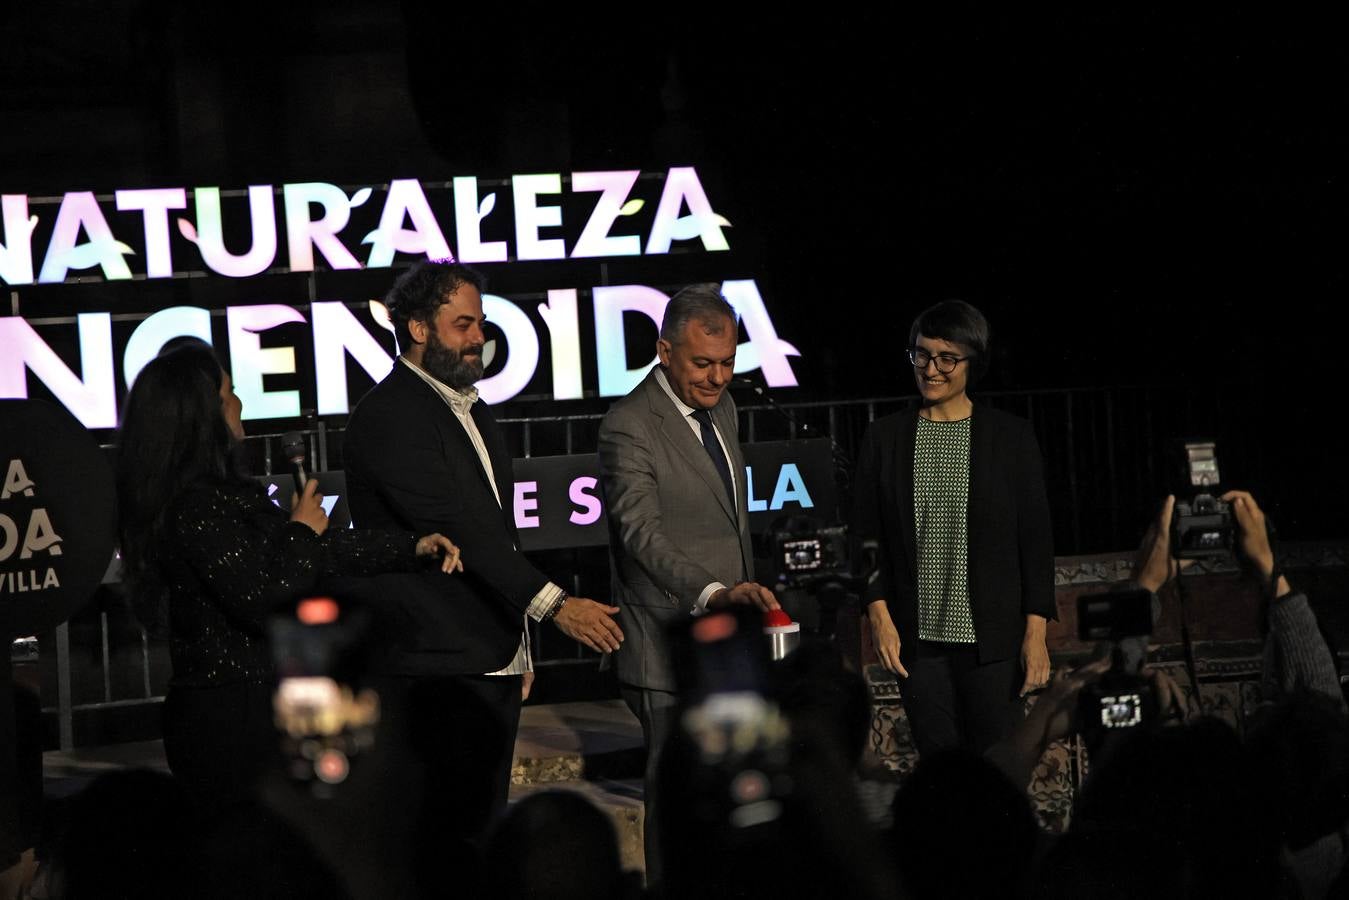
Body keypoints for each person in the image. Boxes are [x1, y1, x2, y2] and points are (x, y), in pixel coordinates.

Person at [341, 260, 624, 853]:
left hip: (487, 655)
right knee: (442, 840)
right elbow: (459, 528)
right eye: (464, 324)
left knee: (482, 831)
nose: (480, 338)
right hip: (435, 665)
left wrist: (517, 645)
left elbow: (498, 537)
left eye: (481, 323)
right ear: (418, 328)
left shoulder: (471, 408)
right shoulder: (390, 414)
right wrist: (557, 608)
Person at [115, 341, 460, 810]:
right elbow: (264, 600)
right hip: (227, 720)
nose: (240, 405)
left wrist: (410, 546)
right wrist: (298, 531)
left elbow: (322, 550)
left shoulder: (229, 497)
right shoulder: (194, 509)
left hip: (260, 711)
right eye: (229, 393)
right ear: (203, 414)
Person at [597, 283, 779, 884]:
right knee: (674, 801)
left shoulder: (722, 407)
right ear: (664, 351)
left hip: (729, 643)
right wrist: (712, 593)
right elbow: (640, 534)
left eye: (728, 362)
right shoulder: (628, 424)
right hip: (664, 642)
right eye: (703, 363)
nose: (717, 377)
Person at [851, 299, 1054, 757]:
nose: (931, 368)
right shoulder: (885, 438)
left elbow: (1035, 541)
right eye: (921, 354)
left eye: (947, 357)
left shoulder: (1011, 437)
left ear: (972, 362)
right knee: (940, 774)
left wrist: (1036, 634)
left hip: (994, 643)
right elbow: (865, 538)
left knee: (997, 768)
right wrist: (879, 618)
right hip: (918, 647)